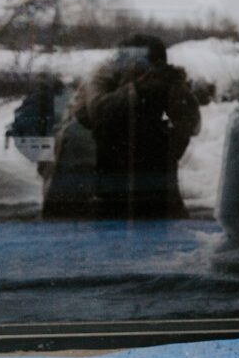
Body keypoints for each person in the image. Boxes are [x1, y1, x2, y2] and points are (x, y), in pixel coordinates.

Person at [70, 33, 201, 219]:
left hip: (148, 168)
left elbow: (191, 124)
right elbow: (99, 112)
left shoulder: (161, 79)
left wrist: (177, 88)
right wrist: (137, 89)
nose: (142, 70)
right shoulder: (103, 74)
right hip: (97, 156)